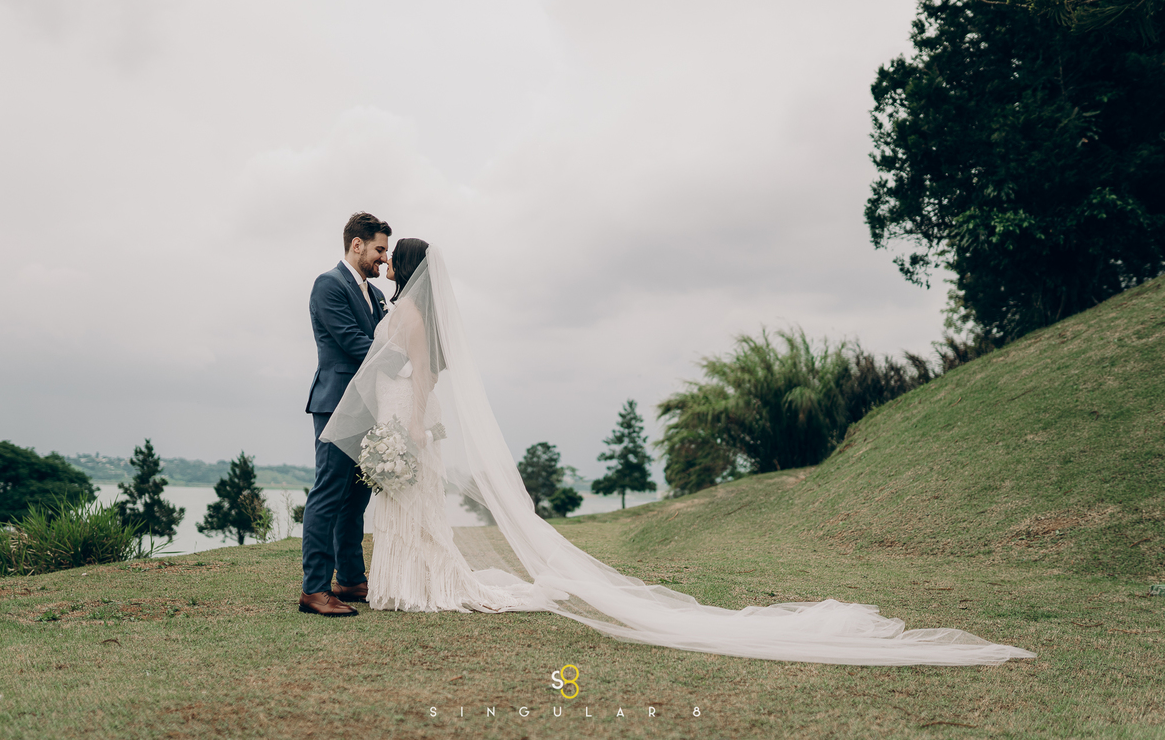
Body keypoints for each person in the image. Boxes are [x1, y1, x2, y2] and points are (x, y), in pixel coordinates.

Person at [321, 242, 1037, 665]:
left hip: (409, 424)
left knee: (410, 507)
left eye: (392, 260)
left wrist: (411, 433)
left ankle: (418, 585)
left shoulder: (410, 313)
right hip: (407, 422)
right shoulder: (422, 311)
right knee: (410, 510)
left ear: (404, 269)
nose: (386, 267)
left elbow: (419, 385)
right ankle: (405, 583)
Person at [299, 212, 391, 617]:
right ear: (357, 244)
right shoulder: (328, 284)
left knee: (356, 497)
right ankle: (314, 590)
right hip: (337, 403)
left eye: (386, 252)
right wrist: (404, 357)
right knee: (328, 494)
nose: (383, 259)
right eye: (379, 249)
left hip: (368, 405)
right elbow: (356, 343)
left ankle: (351, 579)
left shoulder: (375, 295)